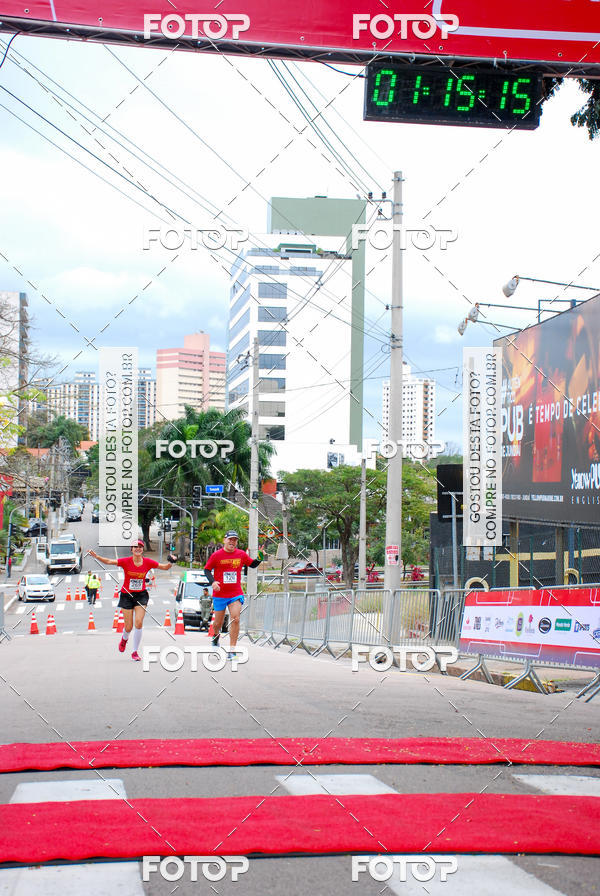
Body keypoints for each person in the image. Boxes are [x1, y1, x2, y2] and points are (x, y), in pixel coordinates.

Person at [89, 540, 176, 661]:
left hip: (141, 595)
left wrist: (171, 561)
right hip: (127, 596)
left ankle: (135, 652)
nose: (138, 548)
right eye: (135, 547)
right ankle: (124, 639)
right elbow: (109, 561)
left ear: (142, 549)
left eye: (140, 547)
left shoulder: (148, 562)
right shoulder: (126, 561)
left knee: (139, 622)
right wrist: (96, 556)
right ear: (131, 549)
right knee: (128, 627)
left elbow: (165, 567)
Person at [204, 530, 263, 660]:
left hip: (235, 593)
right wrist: (213, 582)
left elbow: (252, 565)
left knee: (235, 619)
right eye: (230, 539)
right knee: (218, 624)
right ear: (224, 540)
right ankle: (215, 637)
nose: (232, 542)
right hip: (219, 594)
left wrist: (260, 557)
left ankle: (232, 650)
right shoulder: (216, 555)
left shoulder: (241, 554)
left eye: (235, 540)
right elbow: (207, 570)